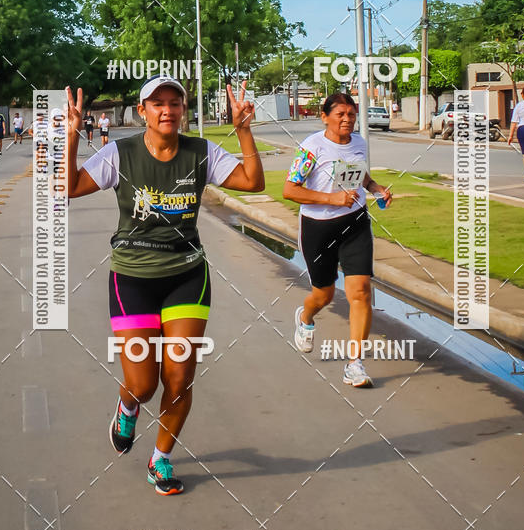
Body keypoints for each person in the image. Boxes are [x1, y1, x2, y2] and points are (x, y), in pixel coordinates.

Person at [66, 76, 264, 496]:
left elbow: (252, 182)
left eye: (176, 103)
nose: (168, 110)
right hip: (132, 278)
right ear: (143, 112)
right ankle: (128, 405)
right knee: (144, 383)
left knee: (179, 377)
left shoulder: (201, 152)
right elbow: (69, 188)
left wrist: (244, 131)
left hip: (187, 276)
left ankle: (161, 459)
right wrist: (70, 137)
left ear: (183, 110)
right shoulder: (120, 153)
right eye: (158, 104)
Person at [283, 93, 392, 388]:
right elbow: (290, 190)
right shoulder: (312, 147)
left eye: (351, 114)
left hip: (354, 223)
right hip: (318, 228)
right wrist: (331, 198)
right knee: (325, 295)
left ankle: (354, 364)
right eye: (340, 114)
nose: (347, 119)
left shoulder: (359, 143)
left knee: (361, 291)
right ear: (325, 116)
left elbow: (360, 175)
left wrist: (375, 187)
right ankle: (305, 317)